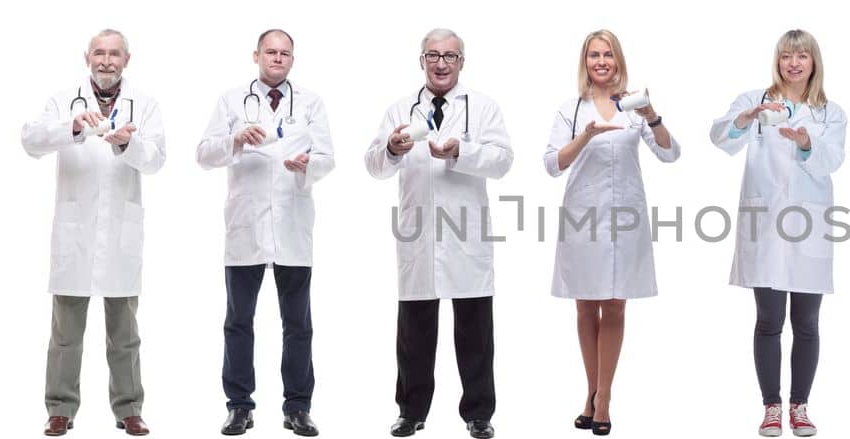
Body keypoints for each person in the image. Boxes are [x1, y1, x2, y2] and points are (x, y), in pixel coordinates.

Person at [20, 28, 166, 437]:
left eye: (114, 54)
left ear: (126, 60)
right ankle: (60, 409)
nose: (106, 60)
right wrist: (74, 126)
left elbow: (156, 159)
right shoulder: (64, 101)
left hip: (122, 233)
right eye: (99, 53)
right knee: (65, 333)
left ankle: (129, 408)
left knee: (125, 333)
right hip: (75, 233)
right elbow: (30, 141)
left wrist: (125, 145)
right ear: (87, 58)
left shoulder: (146, 105)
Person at [366, 28, 511, 439]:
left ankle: (479, 414)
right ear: (422, 61)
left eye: (450, 56)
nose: (441, 63)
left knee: (475, 332)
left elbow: (502, 161)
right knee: (414, 332)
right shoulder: (400, 109)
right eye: (433, 55)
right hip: (419, 235)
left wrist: (459, 152)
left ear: (462, 62)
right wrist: (393, 148)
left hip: (466, 236)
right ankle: (411, 411)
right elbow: (374, 165)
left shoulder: (482, 108)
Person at [707, 29, 846, 438]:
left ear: (813, 61)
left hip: (809, 225)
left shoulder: (830, 113)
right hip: (765, 224)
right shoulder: (755, 100)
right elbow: (719, 137)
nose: (794, 63)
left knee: (807, 322)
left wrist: (806, 143)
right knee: (768, 320)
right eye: (787, 56)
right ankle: (771, 407)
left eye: (802, 56)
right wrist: (747, 118)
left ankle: (800, 407)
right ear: (778, 61)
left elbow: (833, 159)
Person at [196, 28, 334, 437]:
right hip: (246, 228)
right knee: (238, 322)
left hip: (292, 226)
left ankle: (297, 407)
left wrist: (308, 163)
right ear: (256, 54)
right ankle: (239, 406)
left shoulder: (310, 102)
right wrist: (234, 140)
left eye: (285, 53)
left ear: (293, 59)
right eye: (270, 52)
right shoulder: (231, 101)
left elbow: (328, 157)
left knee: (298, 325)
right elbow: (203, 154)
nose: (277, 58)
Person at [544, 29, 678, 437]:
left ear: (618, 61)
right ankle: (591, 391)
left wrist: (652, 115)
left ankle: (603, 399)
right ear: (584, 62)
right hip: (583, 219)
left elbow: (671, 154)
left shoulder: (634, 109)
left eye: (608, 55)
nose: (601, 61)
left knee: (616, 306)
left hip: (625, 219)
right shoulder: (571, 110)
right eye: (593, 55)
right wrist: (585, 137)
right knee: (586, 306)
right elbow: (552, 164)